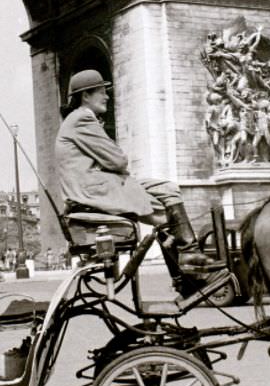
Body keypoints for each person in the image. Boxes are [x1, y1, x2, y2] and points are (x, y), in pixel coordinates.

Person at [55, 69, 226, 293]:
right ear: (85, 95)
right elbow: (118, 160)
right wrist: (110, 158)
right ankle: (188, 268)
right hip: (96, 191)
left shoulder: (79, 119)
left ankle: (188, 260)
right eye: (102, 92)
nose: (107, 96)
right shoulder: (82, 118)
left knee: (169, 189)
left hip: (102, 184)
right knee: (164, 216)